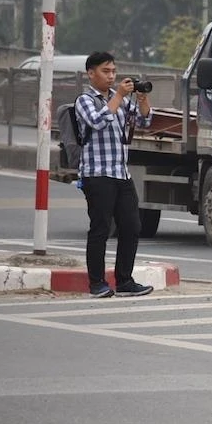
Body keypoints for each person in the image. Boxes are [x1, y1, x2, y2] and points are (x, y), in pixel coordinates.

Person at [74, 52, 154, 299]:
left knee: (132, 226)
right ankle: (96, 283)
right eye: (105, 71)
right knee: (100, 228)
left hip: (121, 173)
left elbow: (144, 121)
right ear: (91, 73)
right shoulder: (85, 100)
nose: (111, 76)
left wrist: (141, 99)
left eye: (113, 71)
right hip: (97, 173)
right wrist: (119, 95)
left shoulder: (118, 100)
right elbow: (98, 122)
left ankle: (124, 281)